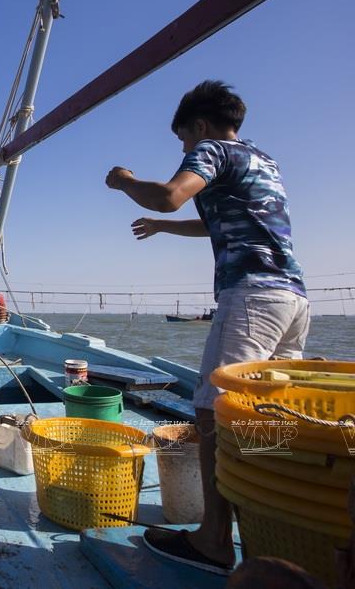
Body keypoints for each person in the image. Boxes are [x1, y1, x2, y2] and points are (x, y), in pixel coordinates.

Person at [105, 80, 309, 575]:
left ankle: (214, 539)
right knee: (263, 416)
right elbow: (212, 221)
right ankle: (261, 525)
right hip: (293, 300)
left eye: (183, 140)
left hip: (251, 296)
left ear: (199, 125)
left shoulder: (212, 150)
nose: (184, 149)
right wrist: (161, 229)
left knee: (213, 410)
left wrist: (126, 182)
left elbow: (172, 196)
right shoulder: (264, 161)